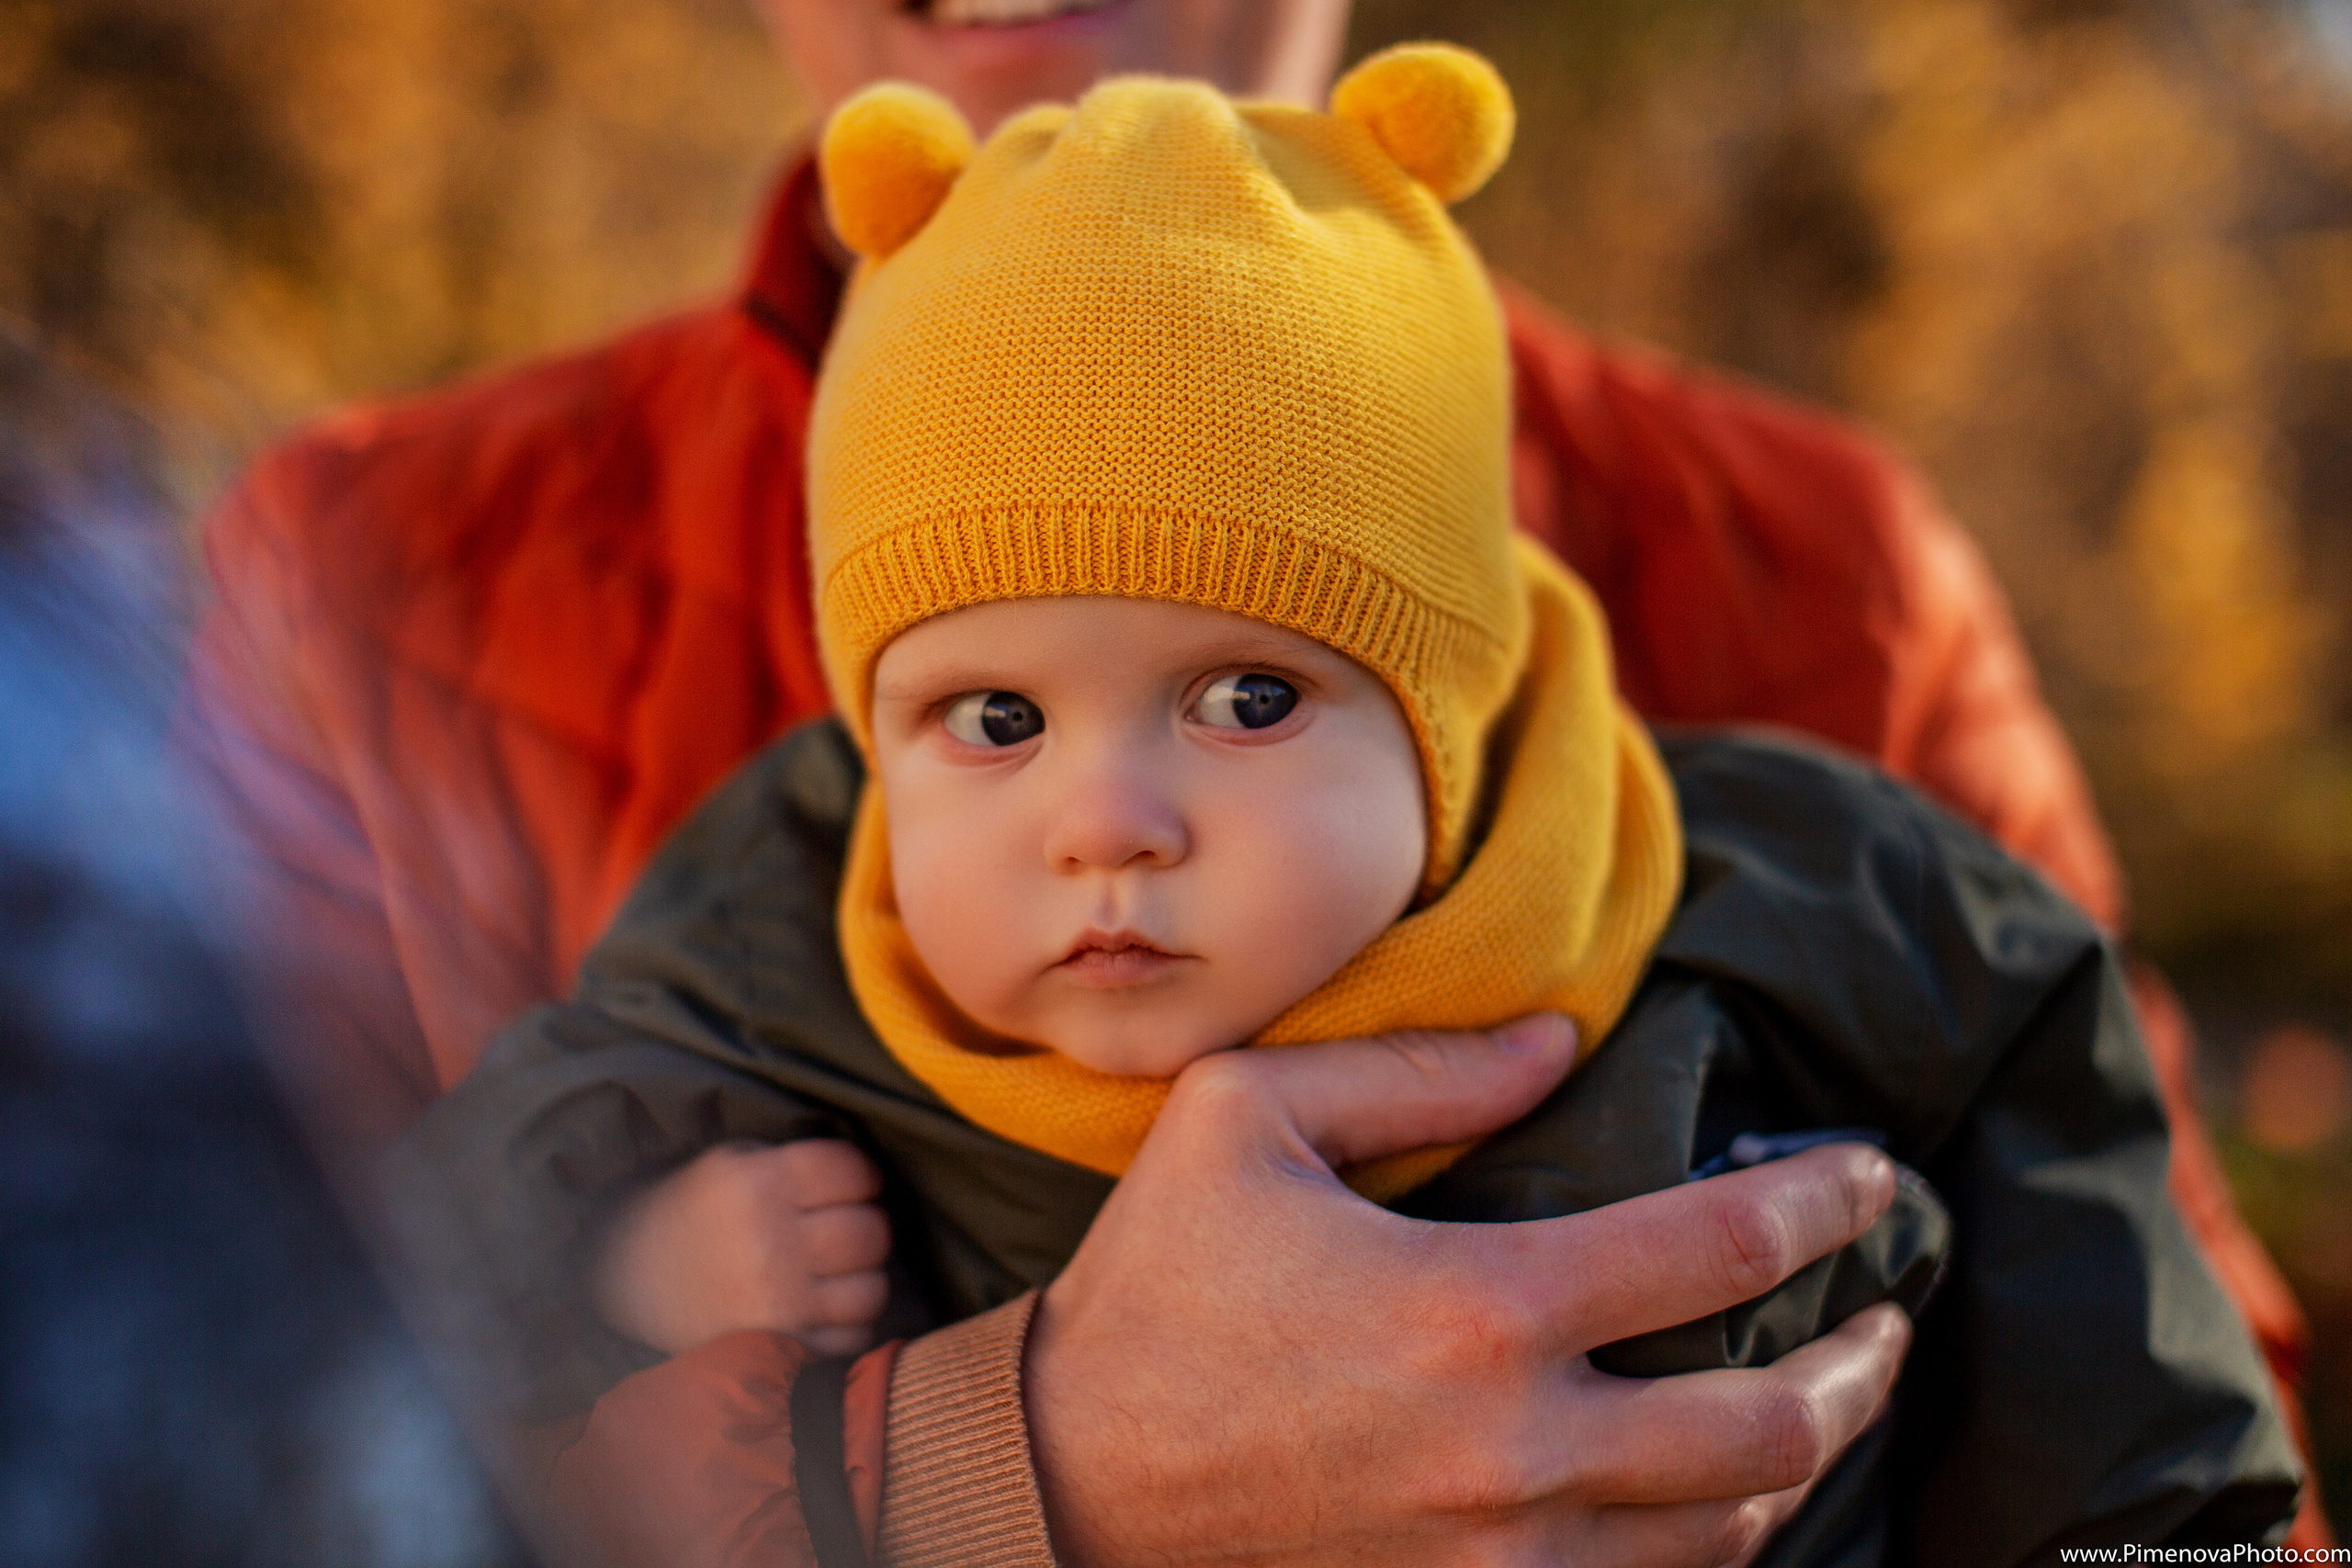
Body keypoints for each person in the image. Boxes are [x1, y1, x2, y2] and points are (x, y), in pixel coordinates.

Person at [177, 0, 2325, 1559]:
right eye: (989, 722)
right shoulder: (543, 742)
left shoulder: (1808, 693)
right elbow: (202, 1415)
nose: (1103, 814)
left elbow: (2153, 1403)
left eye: (1244, 696)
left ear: (1458, 709)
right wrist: (942, 1457)